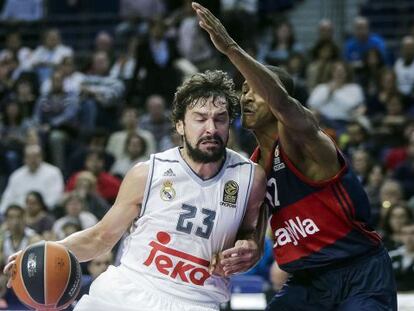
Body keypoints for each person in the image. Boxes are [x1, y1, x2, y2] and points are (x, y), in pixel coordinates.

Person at [4, 70, 267, 311]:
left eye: (220, 120)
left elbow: (249, 236)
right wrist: (49, 250)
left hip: (196, 301)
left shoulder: (249, 178)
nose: (211, 128)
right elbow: (100, 238)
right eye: (200, 119)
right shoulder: (147, 172)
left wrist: (250, 248)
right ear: (179, 125)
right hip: (127, 291)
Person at [191, 2, 397, 310]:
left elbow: (283, 103)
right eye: (242, 89)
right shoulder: (253, 167)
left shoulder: (305, 139)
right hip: (308, 282)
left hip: (359, 272)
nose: (245, 96)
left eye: (254, 89)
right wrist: (244, 250)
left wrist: (231, 49)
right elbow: (255, 241)